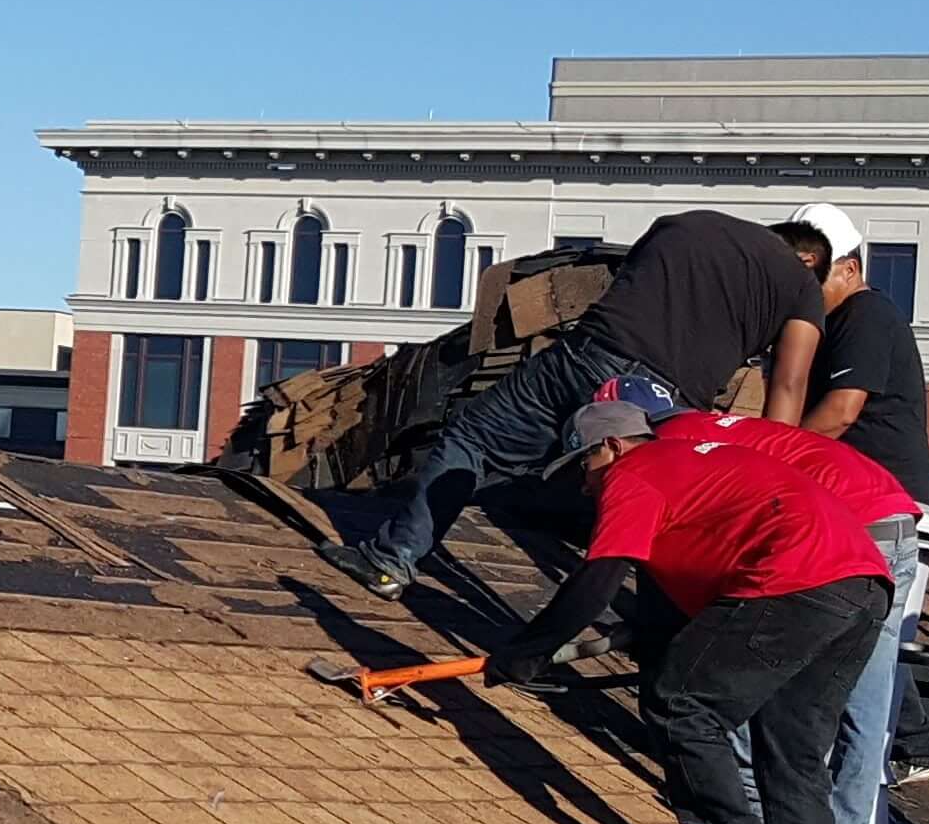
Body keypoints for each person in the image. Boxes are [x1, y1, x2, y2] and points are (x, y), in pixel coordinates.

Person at [488, 396, 917, 824]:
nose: (583, 489)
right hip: (862, 587)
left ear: (610, 446)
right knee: (791, 759)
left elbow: (595, 582)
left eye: (581, 470)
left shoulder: (636, 473)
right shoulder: (700, 470)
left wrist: (524, 654)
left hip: (797, 578)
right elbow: (684, 620)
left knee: (678, 701)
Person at [325, 207, 826, 596]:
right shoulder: (802, 284)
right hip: (659, 399)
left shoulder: (685, 224)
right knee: (639, 503)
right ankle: (614, 615)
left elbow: (627, 284)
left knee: (474, 439)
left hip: (589, 353)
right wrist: (767, 476)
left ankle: (392, 560)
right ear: (807, 259)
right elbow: (789, 381)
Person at [775, 205, 929, 824]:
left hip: (886, 517)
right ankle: (844, 811)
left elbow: (841, 413)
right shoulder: (828, 321)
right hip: (856, 509)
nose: (802, 295)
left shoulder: (865, 317)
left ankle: (854, 817)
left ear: (849, 266)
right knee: (858, 665)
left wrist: (767, 463)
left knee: (869, 668)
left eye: (813, 279)